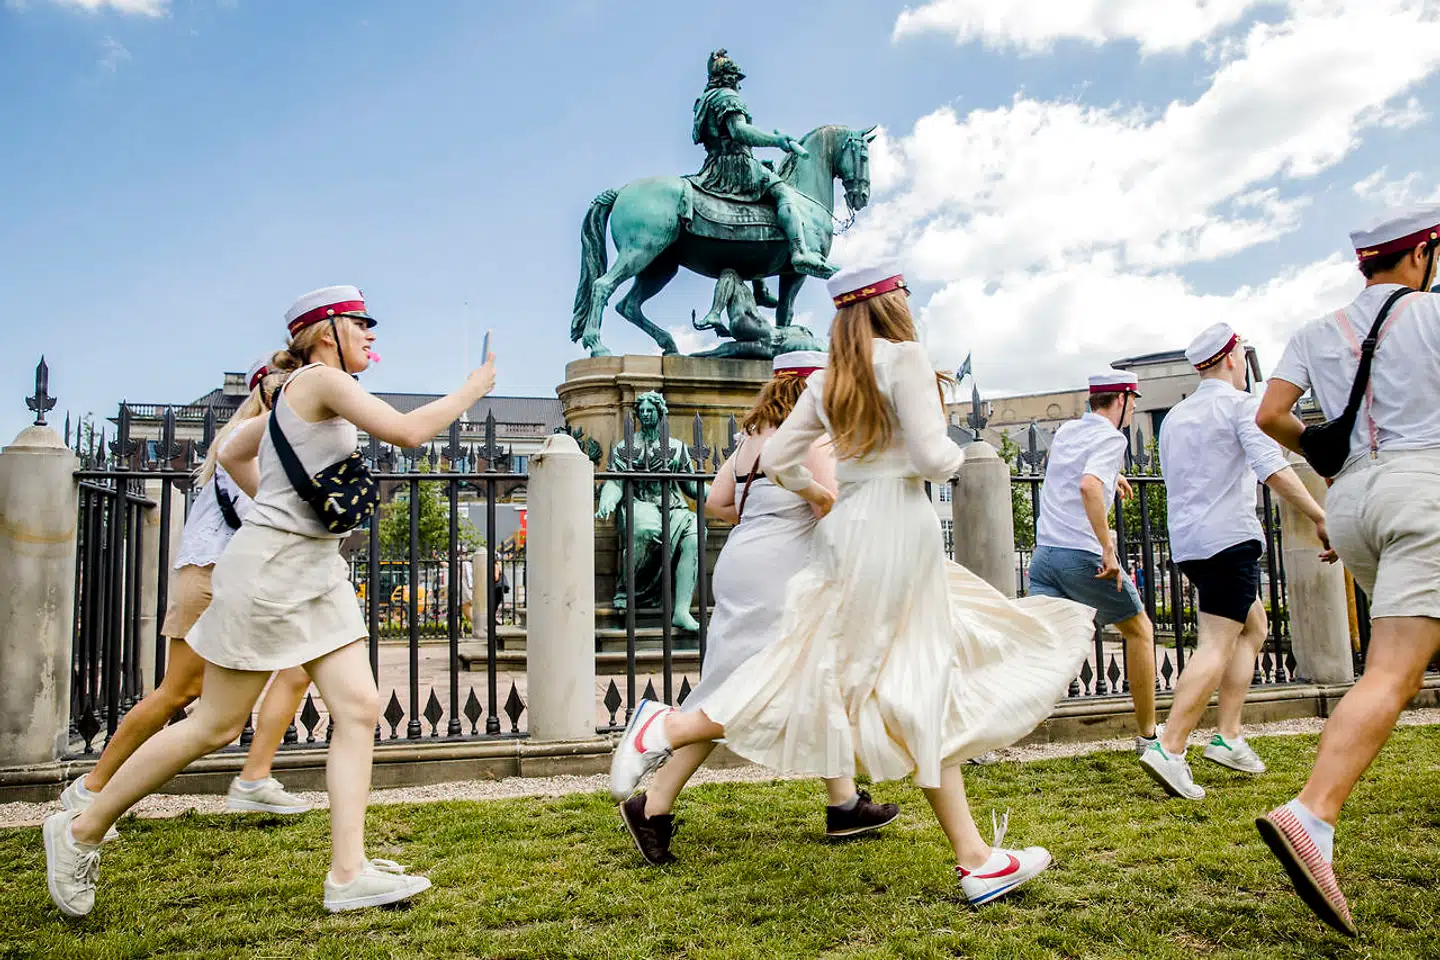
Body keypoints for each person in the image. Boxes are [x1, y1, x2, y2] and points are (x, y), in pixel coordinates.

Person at [609, 262, 1095, 906]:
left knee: (881, 676)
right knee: (870, 672)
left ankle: (972, 855)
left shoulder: (830, 379)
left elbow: (782, 463)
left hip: (851, 533)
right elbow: (930, 457)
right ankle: (667, 731)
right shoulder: (907, 357)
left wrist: (827, 491)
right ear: (890, 304)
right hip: (897, 529)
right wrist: (958, 459)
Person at [44, 285, 497, 917]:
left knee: (360, 708)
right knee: (215, 725)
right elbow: (412, 432)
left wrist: (286, 510)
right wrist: (477, 384)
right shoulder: (319, 380)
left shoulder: (291, 393)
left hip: (313, 570)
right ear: (323, 332)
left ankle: (347, 874)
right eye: (361, 323)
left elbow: (228, 450)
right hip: (273, 573)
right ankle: (81, 830)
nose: (372, 334)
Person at [619, 351, 900, 866]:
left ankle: (844, 803)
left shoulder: (752, 438)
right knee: (747, 692)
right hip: (784, 570)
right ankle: (655, 768)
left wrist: (770, 514)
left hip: (743, 559)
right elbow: (829, 503)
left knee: (801, 681)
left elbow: (717, 503)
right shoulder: (812, 435)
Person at [1254, 206, 1440, 937]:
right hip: (1424, 488)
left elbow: (1271, 415)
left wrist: (1328, 453)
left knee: (1405, 657)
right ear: (1424, 251)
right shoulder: (1431, 318)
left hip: (1353, 500)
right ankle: (1312, 814)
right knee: (1393, 673)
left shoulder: (1316, 331)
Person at [59, 361, 313, 835]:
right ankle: (90, 789)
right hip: (211, 575)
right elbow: (262, 512)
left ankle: (255, 776)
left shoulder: (275, 444)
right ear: (272, 399)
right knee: (180, 691)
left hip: (248, 580)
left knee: (300, 667)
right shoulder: (243, 441)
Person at [1140, 323, 1336, 800]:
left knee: (1253, 629)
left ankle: (1227, 737)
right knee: (1216, 643)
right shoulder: (1241, 406)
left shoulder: (1177, 418)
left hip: (1189, 543)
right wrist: (1320, 516)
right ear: (1234, 358)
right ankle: (1170, 746)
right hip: (1229, 540)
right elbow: (1273, 469)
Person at [1026, 370, 1160, 753]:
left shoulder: (1069, 431)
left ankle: (982, 733)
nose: (1134, 409)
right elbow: (1086, 485)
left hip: (1045, 556)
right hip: (1081, 555)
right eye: (1134, 402)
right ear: (1121, 400)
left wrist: (1112, 477)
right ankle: (1150, 737)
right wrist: (1108, 549)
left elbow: (1064, 469)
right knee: (1141, 631)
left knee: (1041, 649)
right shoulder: (1111, 437)